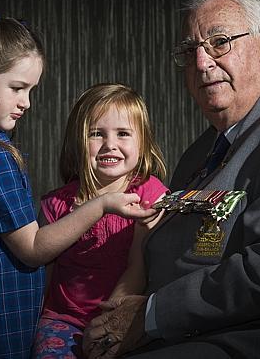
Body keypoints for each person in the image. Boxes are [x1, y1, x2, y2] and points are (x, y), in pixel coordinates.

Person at [82, 0, 260, 358]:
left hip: (257, 340)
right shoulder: (207, 146)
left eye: (219, 43)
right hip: (186, 330)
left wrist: (150, 315)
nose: (201, 62)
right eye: (190, 49)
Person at [0, 13, 160, 358]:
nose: (26, 102)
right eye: (17, 88)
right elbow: (34, 249)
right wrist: (102, 205)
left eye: (31, 90)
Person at [32, 83, 169, 358]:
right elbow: (40, 273)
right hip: (62, 320)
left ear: (142, 142)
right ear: (77, 141)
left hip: (122, 315)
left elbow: (138, 266)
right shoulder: (57, 204)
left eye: (123, 134)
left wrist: (109, 324)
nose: (110, 145)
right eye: (96, 134)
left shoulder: (150, 195)